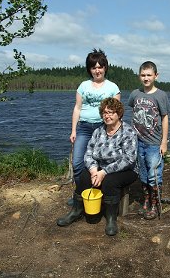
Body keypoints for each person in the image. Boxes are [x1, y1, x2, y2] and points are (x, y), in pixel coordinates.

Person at [57, 98, 138, 236]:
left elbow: (129, 159)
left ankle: (111, 218)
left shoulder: (128, 132)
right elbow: (88, 153)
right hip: (99, 168)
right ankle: (76, 211)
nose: (107, 116)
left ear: (119, 114)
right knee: (83, 176)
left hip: (126, 170)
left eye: (111, 112)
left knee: (110, 181)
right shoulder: (99, 131)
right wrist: (94, 169)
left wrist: (104, 172)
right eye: (105, 113)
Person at [67, 48, 121, 206]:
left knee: (101, 163)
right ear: (89, 69)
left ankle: (99, 194)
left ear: (105, 68)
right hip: (84, 127)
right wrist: (73, 130)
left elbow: (117, 112)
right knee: (78, 163)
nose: (97, 70)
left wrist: (114, 132)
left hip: (103, 128)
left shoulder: (112, 87)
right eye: (93, 67)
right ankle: (80, 194)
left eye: (100, 66)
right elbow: (77, 108)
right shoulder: (83, 86)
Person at [128, 61, 170, 220]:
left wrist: (164, 142)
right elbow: (133, 112)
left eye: (149, 75)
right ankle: (146, 200)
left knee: (154, 174)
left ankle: (155, 204)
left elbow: (165, 118)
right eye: (143, 75)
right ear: (139, 76)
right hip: (138, 142)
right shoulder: (135, 94)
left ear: (155, 76)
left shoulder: (161, 95)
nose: (146, 78)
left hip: (154, 143)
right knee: (144, 175)